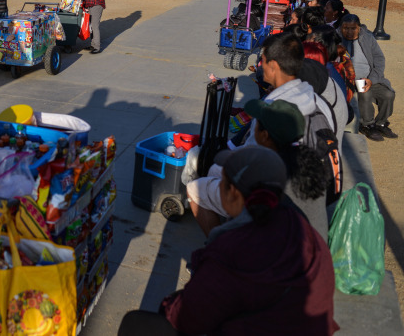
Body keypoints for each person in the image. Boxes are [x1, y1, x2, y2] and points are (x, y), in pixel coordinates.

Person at [119, 147, 338, 336]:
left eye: (221, 181)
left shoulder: (231, 251)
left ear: (232, 192)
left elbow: (186, 317)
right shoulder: (304, 231)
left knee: (137, 324)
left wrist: (169, 303)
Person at [188, 33, 334, 235]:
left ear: (273, 65)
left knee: (196, 188)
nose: (259, 65)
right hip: (314, 189)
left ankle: (221, 244)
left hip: (272, 195)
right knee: (214, 170)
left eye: (262, 60)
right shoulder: (315, 100)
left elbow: (250, 161)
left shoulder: (272, 110)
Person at [244, 99, 331, 240]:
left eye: (256, 124)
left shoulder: (269, 173)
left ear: (265, 135)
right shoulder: (309, 158)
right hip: (317, 248)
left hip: (291, 254)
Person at [340, 14, 397, 141]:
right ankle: (367, 124)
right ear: (341, 28)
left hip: (370, 78)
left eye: (353, 28)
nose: (349, 32)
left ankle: (381, 123)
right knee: (364, 94)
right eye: (346, 28)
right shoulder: (337, 39)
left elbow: (379, 59)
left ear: (359, 28)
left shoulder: (368, 38)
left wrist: (372, 79)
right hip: (349, 80)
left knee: (388, 94)